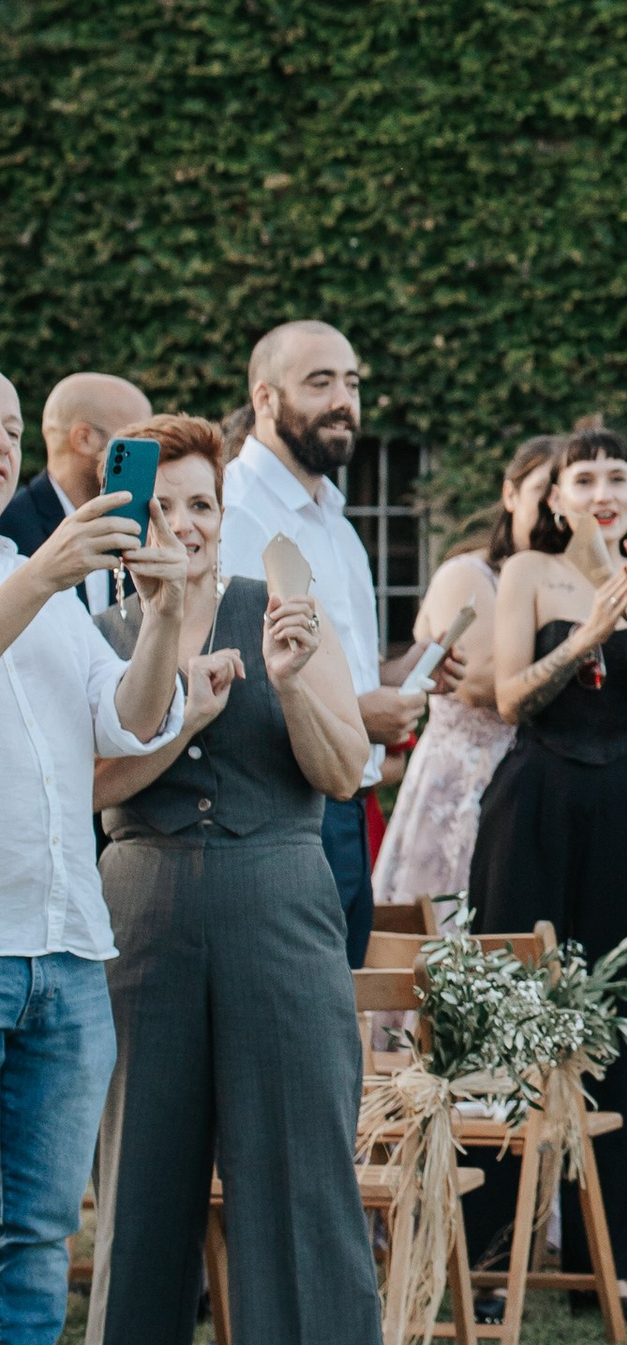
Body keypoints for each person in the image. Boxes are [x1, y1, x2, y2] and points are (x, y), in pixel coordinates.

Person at [67, 414, 388, 1345]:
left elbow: (345, 771)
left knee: (300, 1167)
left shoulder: (281, 607)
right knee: (142, 1170)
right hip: (144, 904)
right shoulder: (99, 628)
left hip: (279, 901)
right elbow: (95, 789)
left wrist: (291, 682)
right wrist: (179, 706)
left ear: (222, 513)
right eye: (161, 507)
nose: (184, 525)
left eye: (201, 504)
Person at [0, 372, 187, 1345]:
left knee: (36, 1227)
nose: (1, 445)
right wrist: (47, 573)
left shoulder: (51, 583)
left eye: (10, 430)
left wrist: (166, 612)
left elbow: (127, 721)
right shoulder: (41, 571)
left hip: (67, 947)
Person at [469, 421, 627, 1301]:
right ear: (557, 497)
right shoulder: (528, 574)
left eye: (618, 476)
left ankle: (615, 1256)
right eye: (585, 478)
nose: (602, 491)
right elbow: (509, 697)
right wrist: (583, 633)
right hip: (536, 799)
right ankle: (487, 1247)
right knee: (512, 1008)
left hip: (624, 809)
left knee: (626, 1011)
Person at [219, 322, 428, 966]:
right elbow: (234, 673)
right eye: (319, 382)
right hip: (280, 818)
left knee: (348, 1032)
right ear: (265, 399)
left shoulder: (336, 522)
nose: (343, 400)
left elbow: (341, 664)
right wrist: (359, 717)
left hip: (349, 811)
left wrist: (409, 671)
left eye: (352, 382)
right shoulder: (232, 508)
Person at [371, 437, 560, 923]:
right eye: (544, 488)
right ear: (512, 494)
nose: (556, 503)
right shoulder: (468, 574)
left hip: (541, 788)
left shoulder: (570, 585)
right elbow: (483, 684)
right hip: (464, 787)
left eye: (567, 490)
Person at [0, 372, 152, 621]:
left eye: (13, 433)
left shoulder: (135, 529)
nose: (148, 456)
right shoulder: (9, 527)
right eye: (137, 440)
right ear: (84, 438)